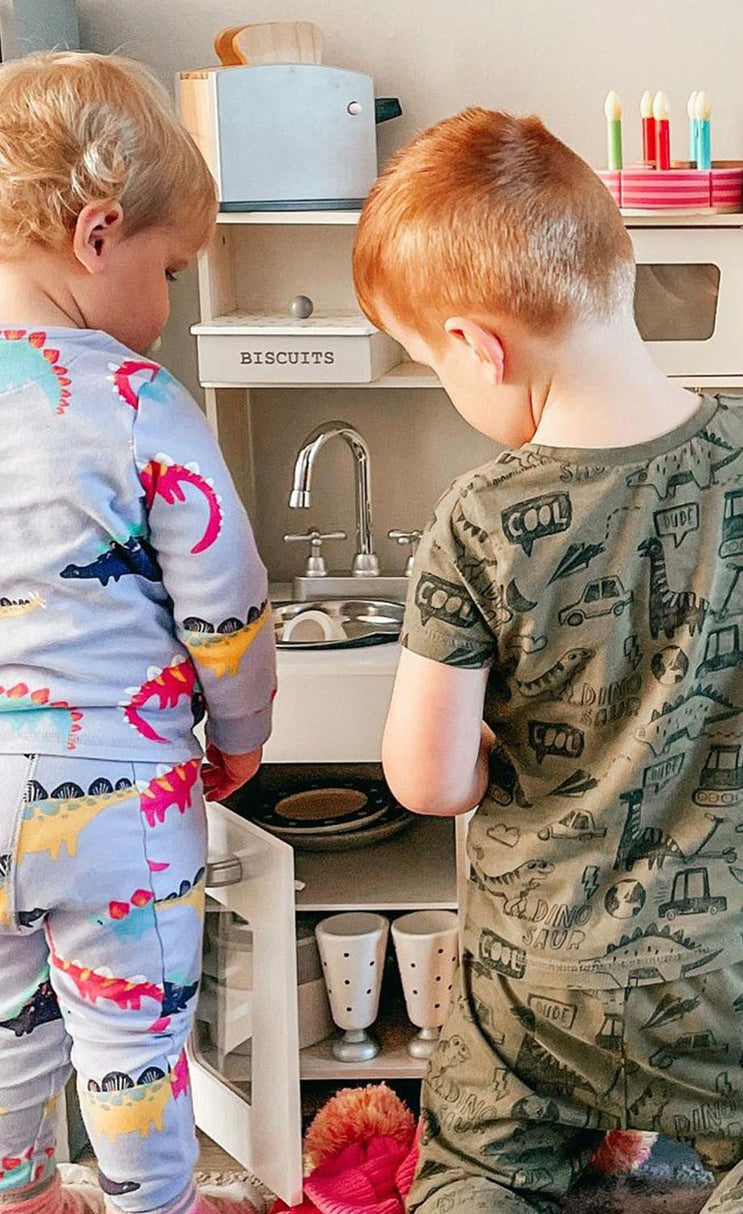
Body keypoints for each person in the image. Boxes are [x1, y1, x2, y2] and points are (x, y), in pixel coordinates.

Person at [355, 108, 743, 1214]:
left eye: (429, 364)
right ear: (618, 268)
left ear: (477, 346)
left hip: (536, 978)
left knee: (475, 1173)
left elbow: (427, 782)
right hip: (735, 965)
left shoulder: (478, 517)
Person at [0, 53, 275, 1214]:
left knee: (7, 1017)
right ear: (99, 233)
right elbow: (225, 596)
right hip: (118, 796)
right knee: (132, 1033)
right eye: (168, 270)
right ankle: (152, 1203)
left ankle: (21, 1191)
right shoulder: (137, 399)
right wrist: (243, 729)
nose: (166, 306)